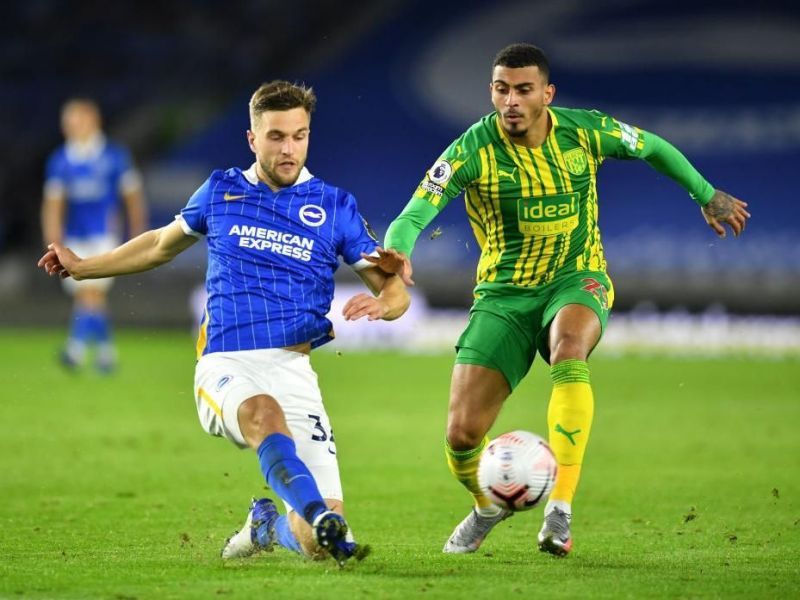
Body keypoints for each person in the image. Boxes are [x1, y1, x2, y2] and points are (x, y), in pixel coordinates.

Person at [367, 43, 750, 557]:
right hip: (504, 295)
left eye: (524, 90)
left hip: (577, 277)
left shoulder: (585, 131)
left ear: (547, 94)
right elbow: (414, 214)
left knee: (569, 351)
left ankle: (559, 511)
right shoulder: (471, 150)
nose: (511, 101)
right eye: (502, 89)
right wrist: (398, 252)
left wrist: (705, 193)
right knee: (461, 435)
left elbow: (653, 146)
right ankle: (487, 506)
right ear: (492, 92)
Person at [38, 80, 410, 566]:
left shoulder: (335, 207)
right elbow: (157, 246)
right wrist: (85, 266)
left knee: (314, 545)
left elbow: (394, 288)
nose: (289, 148)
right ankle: (318, 512)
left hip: (294, 370)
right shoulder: (222, 189)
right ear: (253, 139)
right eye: (276, 136)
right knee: (263, 416)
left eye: (299, 136)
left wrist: (386, 304)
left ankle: (270, 526)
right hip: (226, 362)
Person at [41, 98, 148, 373]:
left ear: (93, 121)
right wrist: (52, 238)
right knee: (88, 295)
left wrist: (137, 233)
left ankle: (76, 349)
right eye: (69, 122)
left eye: (78, 120)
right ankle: (103, 352)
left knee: (90, 290)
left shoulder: (114, 156)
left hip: (104, 235)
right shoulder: (61, 159)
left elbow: (132, 196)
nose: (72, 127)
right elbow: (53, 203)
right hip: (74, 237)